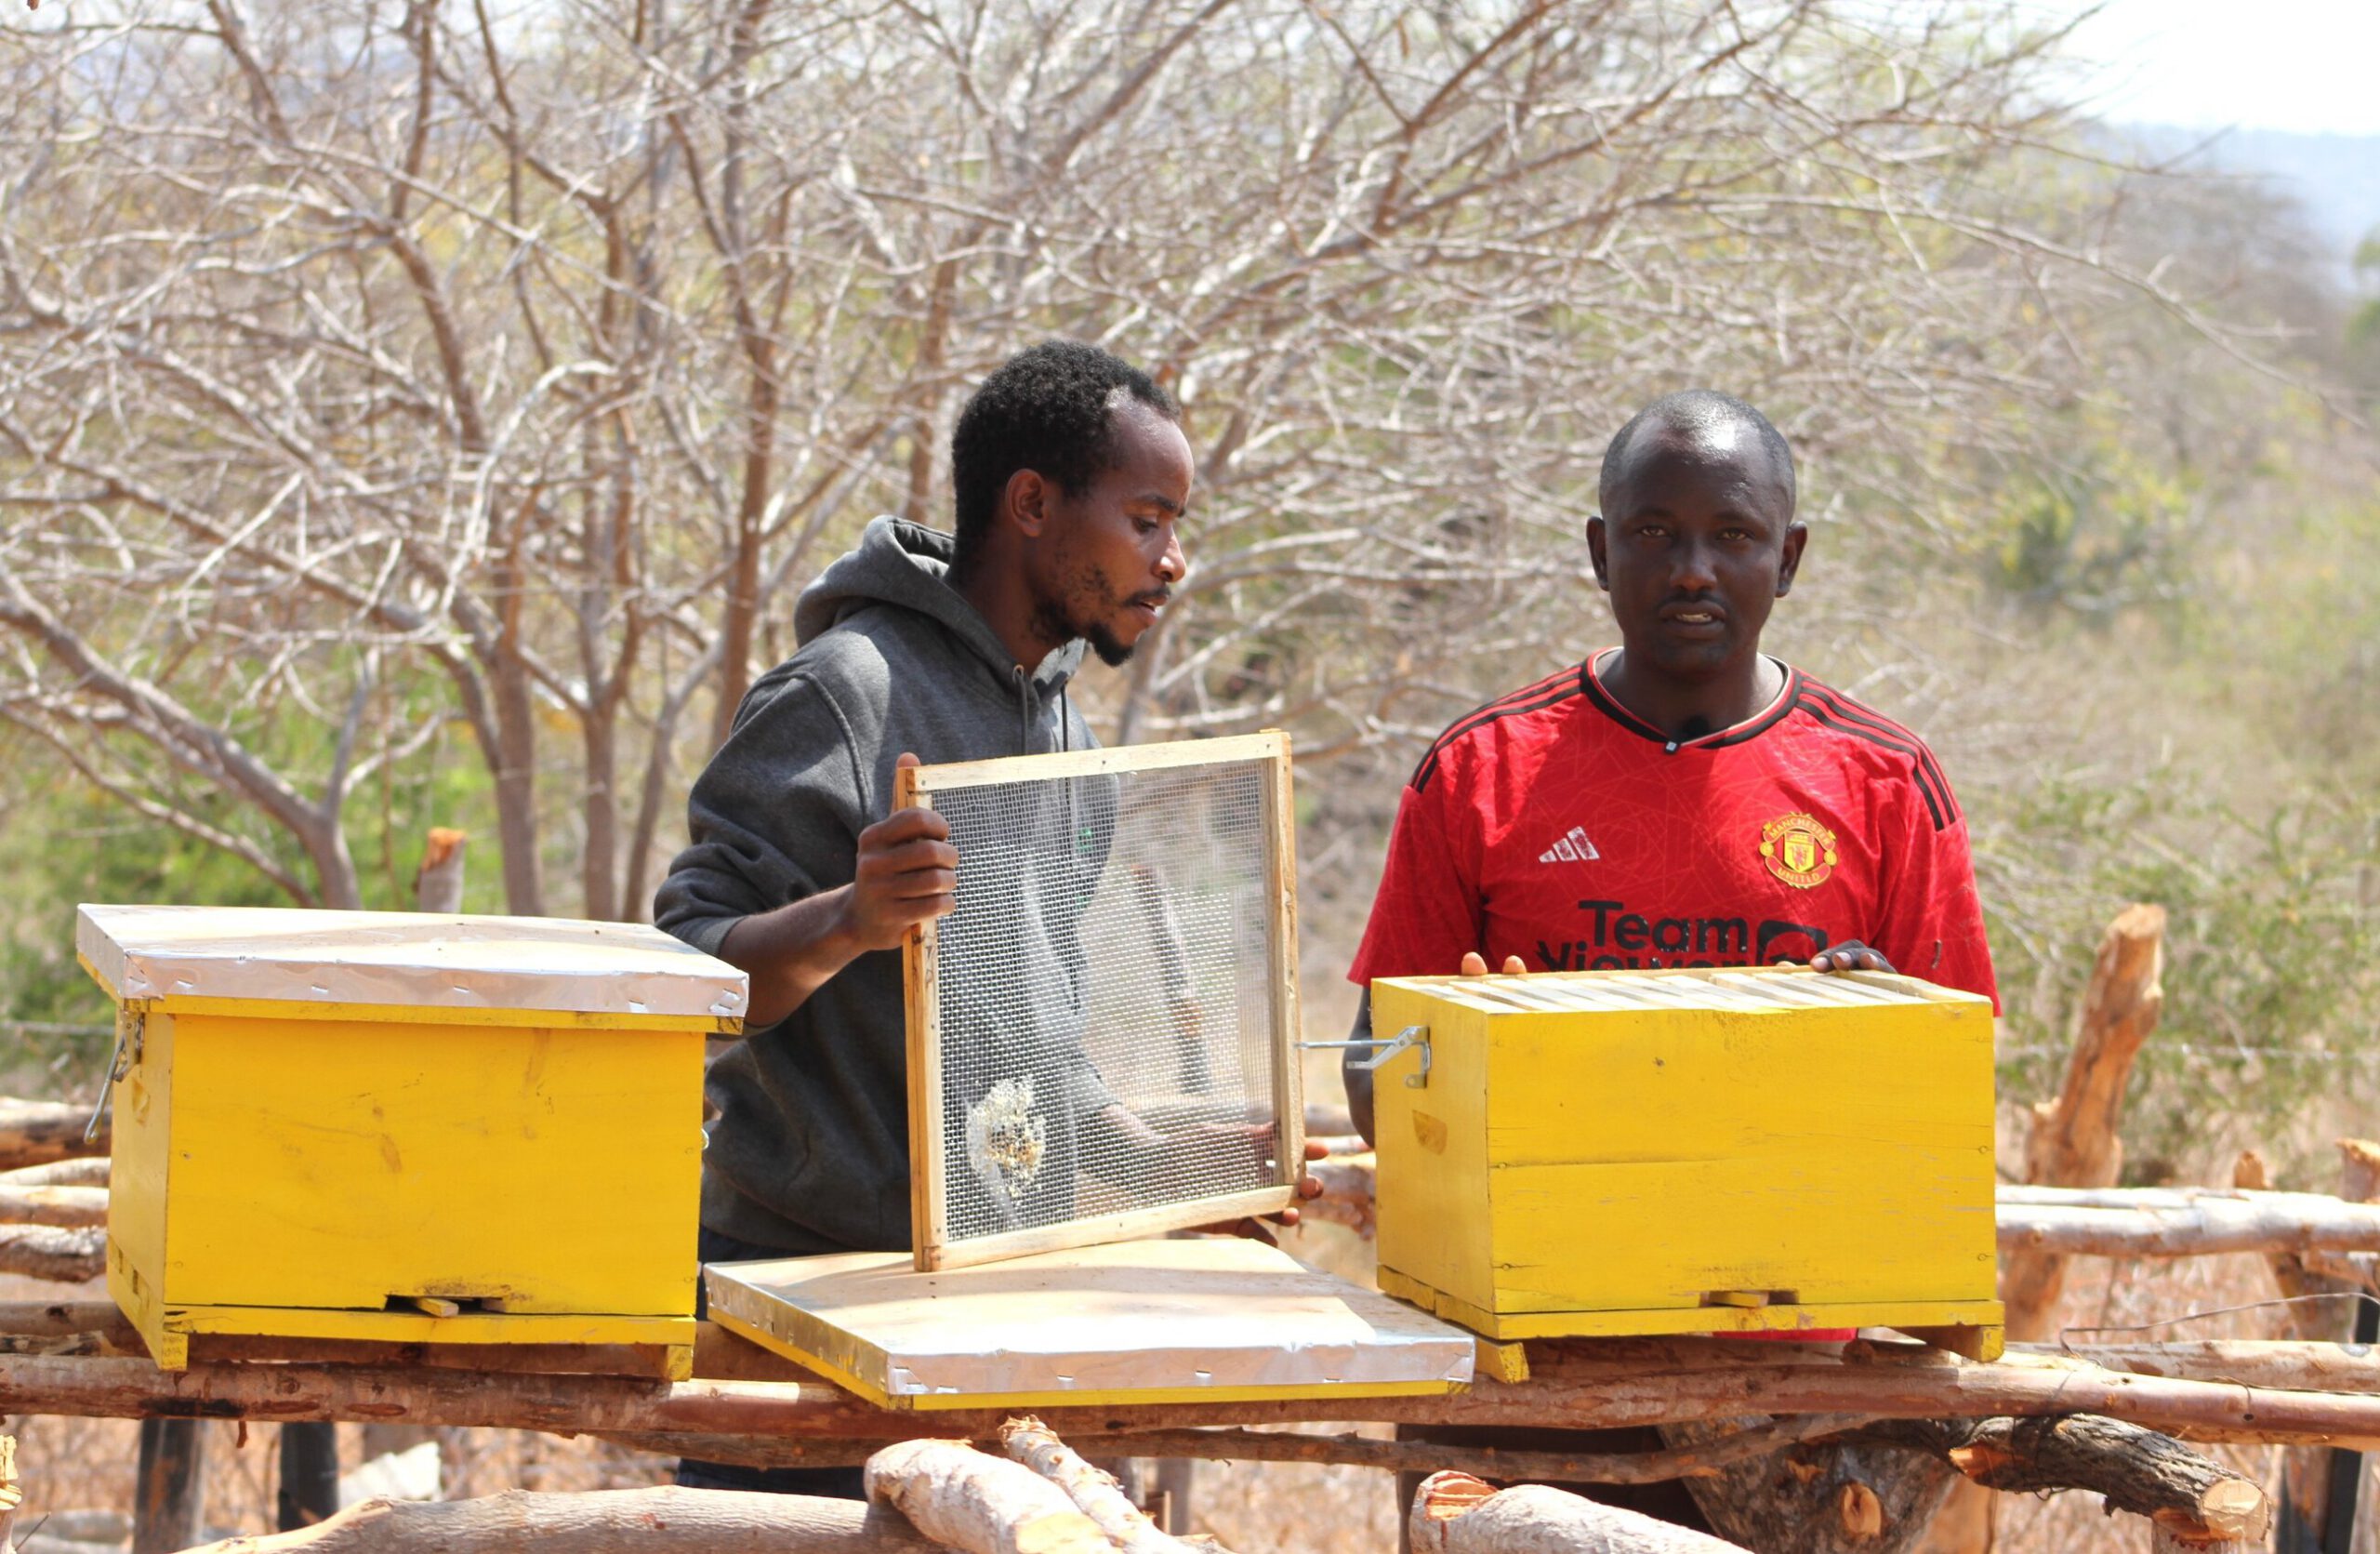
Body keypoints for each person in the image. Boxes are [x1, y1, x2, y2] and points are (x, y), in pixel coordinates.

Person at [654, 339, 1318, 1496]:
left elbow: (1030, 1052)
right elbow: (682, 978)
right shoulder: (844, 693)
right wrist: (849, 920)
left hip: (984, 1317)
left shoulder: (1067, 742)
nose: (1174, 561)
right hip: (798, 1320)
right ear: (1030, 504)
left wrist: (1172, 1165)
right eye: (1149, 520)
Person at [1342, 389, 1999, 1533]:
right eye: (1654, 533)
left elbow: (1953, 1085)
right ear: (1600, 551)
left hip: (1790, 1391)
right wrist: (1469, 1048)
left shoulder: (1885, 783)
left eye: (1733, 536)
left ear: (1786, 559)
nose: (1692, 568)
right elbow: (1367, 1081)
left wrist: (1865, 1024)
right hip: (1522, 1379)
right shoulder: (1481, 772)